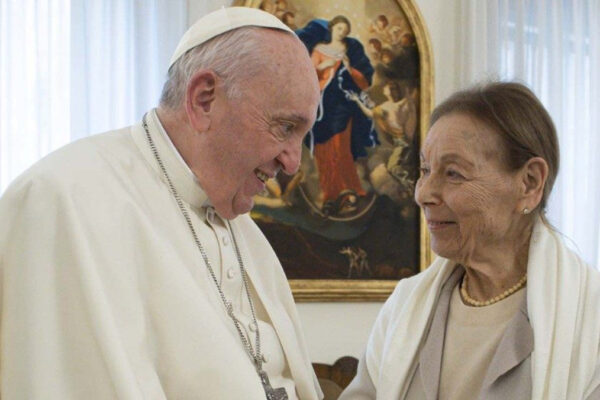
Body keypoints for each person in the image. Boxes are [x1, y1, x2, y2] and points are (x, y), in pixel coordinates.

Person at [0, 7, 323, 400]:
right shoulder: (64, 199)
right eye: (285, 128)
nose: (293, 161)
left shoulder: (245, 233)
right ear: (204, 100)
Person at [339, 82, 600, 399]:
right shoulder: (406, 305)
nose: (423, 194)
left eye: (452, 173)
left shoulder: (589, 318)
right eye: (424, 169)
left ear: (529, 183)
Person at [297, 15, 377, 214]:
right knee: (324, 151)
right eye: (339, 27)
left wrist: (349, 68)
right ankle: (331, 194)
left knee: (341, 148)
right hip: (323, 105)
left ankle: (349, 190)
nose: (342, 31)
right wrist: (321, 67)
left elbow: (363, 82)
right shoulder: (319, 50)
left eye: (345, 29)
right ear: (332, 29)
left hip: (342, 105)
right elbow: (305, 74)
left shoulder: (348, 54)